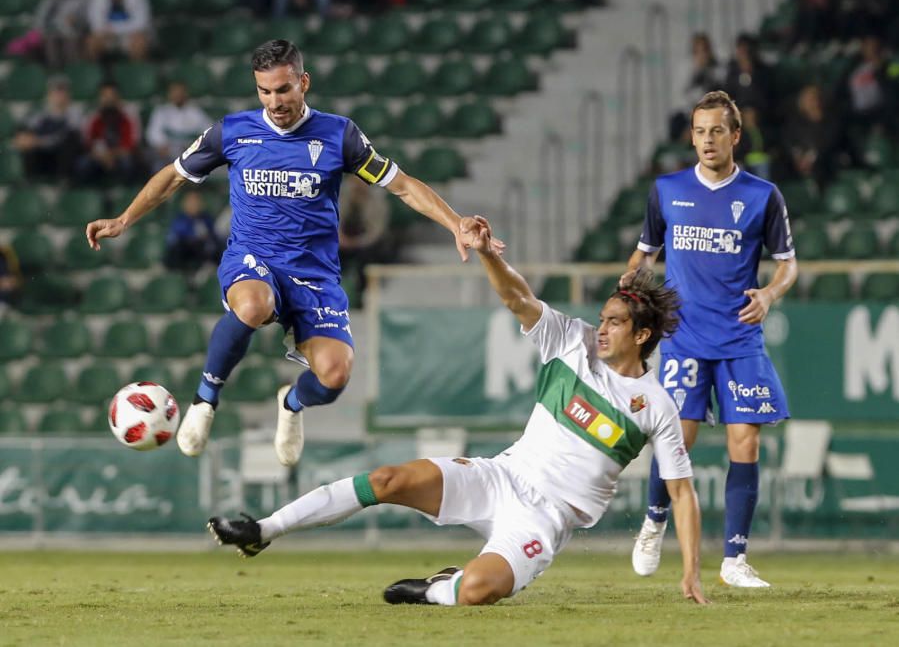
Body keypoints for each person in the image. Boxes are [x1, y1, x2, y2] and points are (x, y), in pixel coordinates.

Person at [207, 215, 708, 607]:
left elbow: (681, 493)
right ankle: (263, 531)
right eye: (602, 318)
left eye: (615, 323)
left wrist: (689, 570)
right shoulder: (571, 342)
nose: (601, 329)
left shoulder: (657, 404)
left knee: (477, 593)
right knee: (386, 479)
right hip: (501, 475)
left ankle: (437, 589)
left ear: (642, 336)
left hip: (544, 518)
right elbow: (517, 297)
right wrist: (489, 254)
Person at [85, 39, 500, 467]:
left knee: (335, 376)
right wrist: (123, 219)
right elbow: (172, 176)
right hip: (253, 257)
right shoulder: (231, 131)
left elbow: (402, 184)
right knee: (252, 304)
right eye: (265, 91)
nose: (275, 101)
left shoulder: (340, 135)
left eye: (283, 90)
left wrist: (456, 222)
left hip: (314, 275)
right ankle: (205, 402)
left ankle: (292, 403)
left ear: (304, 82)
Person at [626, 90, 798, 588]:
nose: (707, 140)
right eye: (700, 131)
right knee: (677, 438)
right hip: (684, 337)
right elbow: (645, 255)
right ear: (692, 136)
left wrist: (769, 294)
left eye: (717, 131)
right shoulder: (666, 190)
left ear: (735, 136)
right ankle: (655, 521)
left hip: (741, 336)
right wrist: (630, 287)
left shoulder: (763, 195)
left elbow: (788, 264)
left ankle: (733, 560)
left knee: (745, 442)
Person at [12, 76, 83, 181]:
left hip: (63, 159)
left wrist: (39, 142)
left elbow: (63, 138)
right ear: (49, 95)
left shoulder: (75, 113)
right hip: (45, 156)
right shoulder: (42, 114)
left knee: (71, 140)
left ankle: (64, 179)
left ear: (68, 95)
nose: (59, 96)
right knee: (26, 141)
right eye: (55, 92)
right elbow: (26, 127)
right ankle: (31, 181)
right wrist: (23, 138)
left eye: (62, 91)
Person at [74, 81, 142, 184]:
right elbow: (88, 141)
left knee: (128, 163)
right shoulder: (94, 115)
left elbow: (132, 143)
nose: (109, 99)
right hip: (99, 156)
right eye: (105, 95)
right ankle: (90, 192)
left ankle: (125, 191)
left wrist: (112, 155)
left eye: (112, 95)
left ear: (118, 97)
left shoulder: (129, 114)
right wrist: (101, 156)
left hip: (120, 155)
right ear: (100, 97)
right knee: (82, 164)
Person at [146, 80, 213, 173]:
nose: (178, 95)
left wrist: (195, 147)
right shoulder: (161, 111)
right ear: (169, 94)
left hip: (189, 153)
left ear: (186, 93)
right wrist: (161, 146)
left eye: (181, 92)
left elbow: (210, 132)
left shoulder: (195, 112)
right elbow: (153, 133)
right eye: (174, 92)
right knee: (158, 165)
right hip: (167, 154)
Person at [163, 190, 222, 272]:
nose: (194, 205)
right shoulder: (180, 219)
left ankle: (207, 271)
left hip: (202, 252)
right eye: (190, 202)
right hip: (184, 251)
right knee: (177, 248)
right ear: (184, 204)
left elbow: (213, 237)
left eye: (196, 202)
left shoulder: (206, 219)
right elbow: (174, 238)